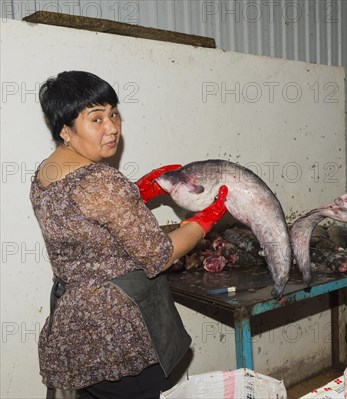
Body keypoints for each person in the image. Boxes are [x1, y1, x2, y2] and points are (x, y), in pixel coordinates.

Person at [30, 70, 228, 398]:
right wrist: (205, 220)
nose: (112, 127)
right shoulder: (103, 182)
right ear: (65, 129)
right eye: (96, 119)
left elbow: (81, 219)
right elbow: (159, 255)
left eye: (114, 114)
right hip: (117, 331)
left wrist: (136, 193)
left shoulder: (45, 173)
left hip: (75, 325)